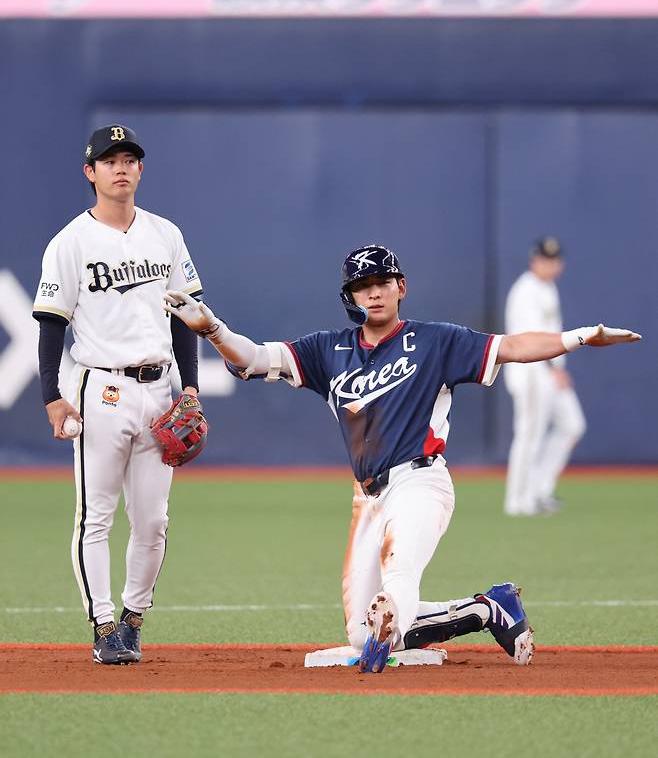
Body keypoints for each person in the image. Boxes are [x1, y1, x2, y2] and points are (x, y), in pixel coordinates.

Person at [164, 245, 640, 673]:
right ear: (350, 296)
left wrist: (578, 337)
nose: (372, 294)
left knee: (398, 579)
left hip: (421, 483)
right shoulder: (329, 350)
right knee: (359, 631)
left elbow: (511, 346)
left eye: (381, 283)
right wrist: (211, 327)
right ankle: (488, 609)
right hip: (367, 499)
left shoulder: (435, 341)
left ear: (400, 287)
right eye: (361, 287)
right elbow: (254, 359)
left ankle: (391, 620)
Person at [33, 124, 203, 664]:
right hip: (99, 385)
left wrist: (192, 387)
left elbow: (185, 316)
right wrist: (52, 396)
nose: (121, 167)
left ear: (141, 169)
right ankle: (102, 624)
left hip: (159, 390)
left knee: (153, 519)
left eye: (129, 158)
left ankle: (133, 619)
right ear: (91, 173)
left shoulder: (166, 234)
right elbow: (50, 326)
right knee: (96, 516)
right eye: (110, 160)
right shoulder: (71, 242)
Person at [504, 237, 586, 516]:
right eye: (544, 259)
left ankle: (539, 489)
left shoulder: (547, 287)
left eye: (554, 260)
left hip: (549, 371)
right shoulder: (526, 290)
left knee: (572, 424)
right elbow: (532, 340)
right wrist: (556, 369)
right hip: (530, 370)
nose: (550, 265)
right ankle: (518, 500)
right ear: (533, 260)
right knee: (529, 433)